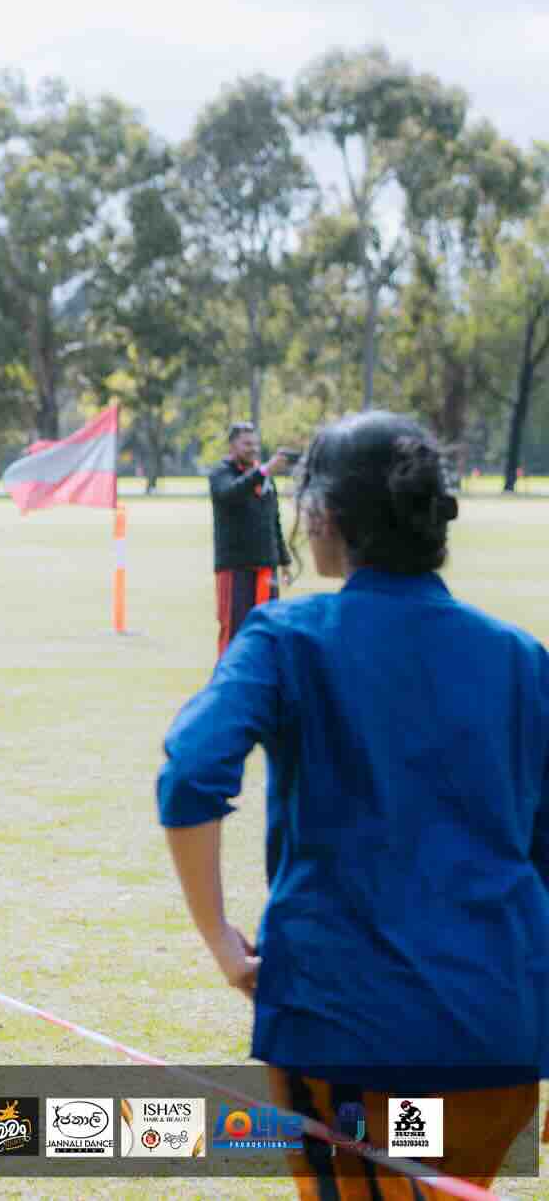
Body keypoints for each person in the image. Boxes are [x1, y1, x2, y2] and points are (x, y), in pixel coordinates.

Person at [159, 411, 547, 1198]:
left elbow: (190, 773)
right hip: (501, 1039)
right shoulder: (520, 657)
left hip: (354, 1033)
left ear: (324, 517)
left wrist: (223, 943)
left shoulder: (290, 635)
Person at [209, 421, 296, 657]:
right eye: (247, 443)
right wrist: (264, 471)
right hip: (235, 567)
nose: (253, 448)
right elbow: (230, 494)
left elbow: (273, 520)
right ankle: (226, 684)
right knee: (234, 629)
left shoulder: (263, 475)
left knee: (267, 628)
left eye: (256, 444)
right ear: (232, 445)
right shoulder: (221, 473)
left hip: (266, 566)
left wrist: (284, 560)